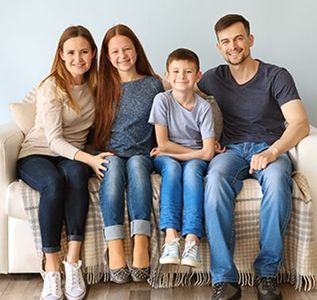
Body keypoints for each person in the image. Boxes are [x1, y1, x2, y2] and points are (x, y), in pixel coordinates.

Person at [197, 14, 310, 300]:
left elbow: (299, 123)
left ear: (250, 40)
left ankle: (267, 275)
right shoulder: (213, 78)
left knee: (276, 182)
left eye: (238, 38)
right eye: (225, 42)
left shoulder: (276, 75)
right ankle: (225, 280)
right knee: (215, 180)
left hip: (270, 148)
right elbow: (179, 85)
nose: (233, 46)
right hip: (232, 150)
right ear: (219, 47)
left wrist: (272, 152)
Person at [17, 25, 112, 300]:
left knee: (76, 177)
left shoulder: (97, 85)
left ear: (93, 53)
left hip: (71, 156)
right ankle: (51, 267)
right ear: (61, 54)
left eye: (84, 51)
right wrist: (90, 159)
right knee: (53, 183)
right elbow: (55, 140)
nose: (78, 58)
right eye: (71, 52)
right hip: (37, 153)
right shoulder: (52, 86)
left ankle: (72, 263)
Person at [94, 24, 164, 284]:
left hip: (142, 154)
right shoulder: (100, 85)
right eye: (115, 52)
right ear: (108, 56)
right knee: (112, 174)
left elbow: (169, 114)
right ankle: (114, 246)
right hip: (110, 152)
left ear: (136, 50)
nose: (122, 55)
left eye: (127, 49)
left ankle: (141, 242)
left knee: (136, 168)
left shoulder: (153, 84)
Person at [149, 48, 215, 268]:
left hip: (191, 158)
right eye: (176, 71)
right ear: (167, 75)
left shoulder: (204, 107)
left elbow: (207, 154)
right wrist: (170, 152)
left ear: (198, 76)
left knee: (192, 173)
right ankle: (171, 236)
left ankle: (192, 239)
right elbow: (163, 143)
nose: (181, 77)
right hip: (167, 158)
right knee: (174, 170)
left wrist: (173, 151)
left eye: (188, 72)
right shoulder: (162, 100)